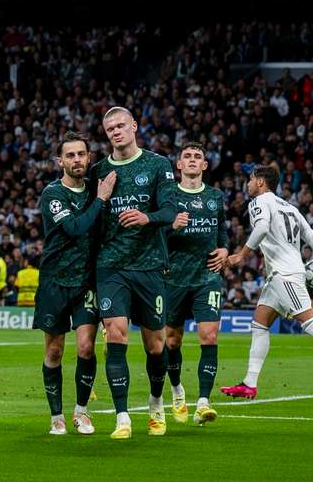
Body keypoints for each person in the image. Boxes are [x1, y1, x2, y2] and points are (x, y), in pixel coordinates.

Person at [221, 165, 313, 399]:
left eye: (250, 179)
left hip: (285, 273)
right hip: (281, 274)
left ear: (261, 182)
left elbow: (261, 228)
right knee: (260, 323)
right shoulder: (289, 207)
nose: (247, 184)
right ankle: (249, 383)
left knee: (309, 321)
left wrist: (242, 254)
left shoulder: (259, 202)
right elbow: (311, 236)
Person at [89, 107, 177, 439]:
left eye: (121, 125)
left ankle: (156, 404)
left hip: (150, 265)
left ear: (134, 126)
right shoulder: (99, 171)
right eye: (109, 127)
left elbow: (170, 211)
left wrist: (146, 217)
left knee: (156, 345)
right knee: (116, 333)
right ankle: (122, 416)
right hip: (111, 265)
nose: (115, 131)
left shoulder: (157, 165)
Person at [34, 131, 116, 435]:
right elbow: (74, 227)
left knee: (85, 348)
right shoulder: (53, 193)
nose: (76, 160)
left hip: (87, 283)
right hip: (55, 281)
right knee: (54, 352)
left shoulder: (96, 191)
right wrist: (100, 200)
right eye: (70, 155)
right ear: (60, 161)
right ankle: (56, 416)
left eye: (81, 154)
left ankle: (82, 412)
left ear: (89, 157)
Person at [165, 143, 227, 426]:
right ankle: (177, 389)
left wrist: (225, 249)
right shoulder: (168, 196)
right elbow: (154, 231)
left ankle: (203, 402)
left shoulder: (216, 197)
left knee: (209, 336)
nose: (192, 160)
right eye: (187, 157)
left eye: (197, 157)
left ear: (204, 166)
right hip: (173, 278)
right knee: (172, 341)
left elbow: (222, 231)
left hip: (207, 277)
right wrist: (170, 226)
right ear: (178, 165)